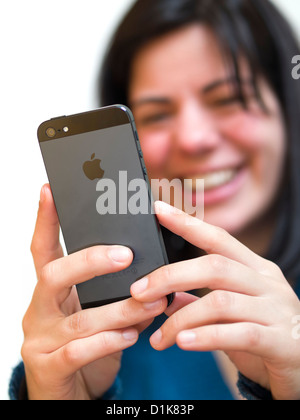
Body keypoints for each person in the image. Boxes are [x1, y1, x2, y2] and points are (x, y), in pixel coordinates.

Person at [9, 0, 300, 400]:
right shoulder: (108, 336)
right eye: (157, 114)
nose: (194, 138)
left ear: (287, 107)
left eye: (227, 98)